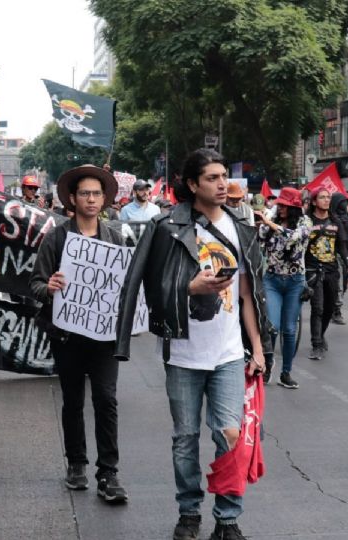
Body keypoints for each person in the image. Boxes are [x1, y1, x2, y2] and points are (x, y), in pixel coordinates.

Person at [116, 149, 269, 540]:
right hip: (184, 353)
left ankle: (228, 517)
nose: (222, 184)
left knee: (230, 435)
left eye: (223, 177)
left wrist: (258, 346)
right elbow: (145, 285)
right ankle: (189, 512)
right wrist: (189, 287)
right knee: (185, 438)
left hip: (230, 354)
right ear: (192, 184)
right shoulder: (167, 227)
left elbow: (249, 294)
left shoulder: (240, 227)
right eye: (213, 178)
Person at [29, 165, 129, 503]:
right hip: (67, 336)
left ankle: (109, 471)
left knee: (106, 399)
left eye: (96, 194)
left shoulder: (115, 237)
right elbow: (36, 284)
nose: (90, 199)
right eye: (84, 193)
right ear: (73, 198)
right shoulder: (56, 238)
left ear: (104, 199)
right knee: (72, 401)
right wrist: (50, 287)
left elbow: (126, 286)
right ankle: (76, 463)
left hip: (104, 338)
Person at [255, 188, 310, 389]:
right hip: (272, 280)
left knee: (289, 329)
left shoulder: (305, 222)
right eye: (280, 204)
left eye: (286, 205)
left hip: (295, 281)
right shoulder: (271, 218)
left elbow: (293, 237)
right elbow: (259, 237)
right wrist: (259, 223)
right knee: (272, 326)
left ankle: (286, 373)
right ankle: (268, 364)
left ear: (294, 207)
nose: (282, 208)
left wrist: (269, 223)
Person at [304, 188, 345, 360]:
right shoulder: (306, 222)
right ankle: (317, 344)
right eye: (322, 197)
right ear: (314, 201)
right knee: (318, 308)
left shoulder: (335, 222)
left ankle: (320, 335)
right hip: (313, 270)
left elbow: (342, 246)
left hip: (332, 270)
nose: (327, 200)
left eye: (328, 197)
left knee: (329, 308)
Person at [328, 192, 348, 325]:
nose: (345, 204)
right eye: (342, 201)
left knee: (346, 282)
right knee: (339, 284)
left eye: (346, 201)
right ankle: (337, 311)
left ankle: (333, 306)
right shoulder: (330, 218)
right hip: (334, 254)